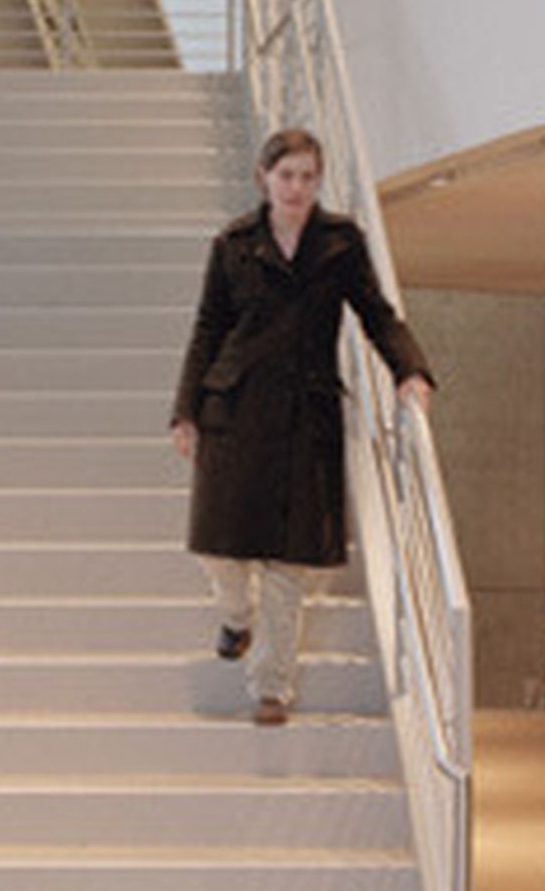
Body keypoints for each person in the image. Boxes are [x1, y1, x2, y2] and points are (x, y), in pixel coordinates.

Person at [168, 124, 434, 726]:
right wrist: (186, 411)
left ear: (318, 180)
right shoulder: (233, 242)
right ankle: (236, 617)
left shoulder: (340, 243)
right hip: (233, 409)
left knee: (287, 563)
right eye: (286, 175)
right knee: (219, 551)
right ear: (264, 177)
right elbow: (208, 328)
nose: (297, 187)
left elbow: (378, 316)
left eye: (308, 177)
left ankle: (271, 688)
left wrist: (410, 371)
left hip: (304, 418)